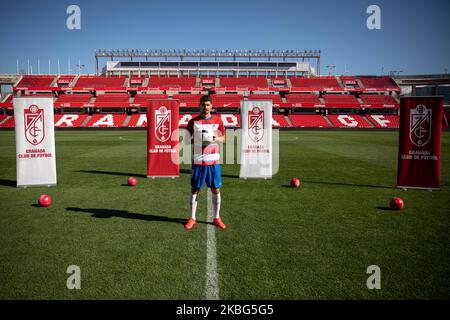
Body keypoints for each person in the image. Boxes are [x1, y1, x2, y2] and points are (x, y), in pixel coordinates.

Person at [185, 95, 226, 230]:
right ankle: (192, 218)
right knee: (195, 189)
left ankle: (217, 217)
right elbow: (186, 140)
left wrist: (215, 138)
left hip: (214, 161)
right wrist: (198, 139)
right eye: (203, 105)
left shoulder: (218, 120)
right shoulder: (193, 122)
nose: (206, 107)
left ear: (211, 106)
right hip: (198, 161)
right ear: (199, 106)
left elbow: (224, 139)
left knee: (216, 189)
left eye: (208, 105)